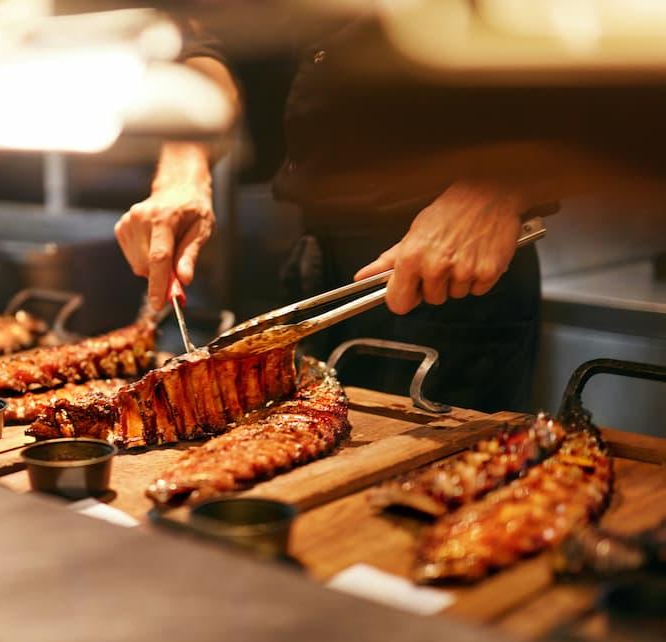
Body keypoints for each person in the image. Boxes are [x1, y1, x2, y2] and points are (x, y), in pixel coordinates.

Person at [113, 15, 662, 413]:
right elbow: (222, 44)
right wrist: (184, 161)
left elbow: (603, 30)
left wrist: (497, 189)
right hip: (315, 252)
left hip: (456, 269)